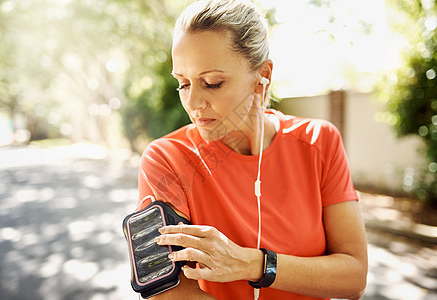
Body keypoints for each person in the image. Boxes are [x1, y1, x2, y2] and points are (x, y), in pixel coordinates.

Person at [136, 0, 368, 299]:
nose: (192, 103)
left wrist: (253, 264)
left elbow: (353, 277)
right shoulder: (166, 159)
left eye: (212, 83)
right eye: (183, 84)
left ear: (263, 77)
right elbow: (166, 291)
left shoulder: (319, 142)